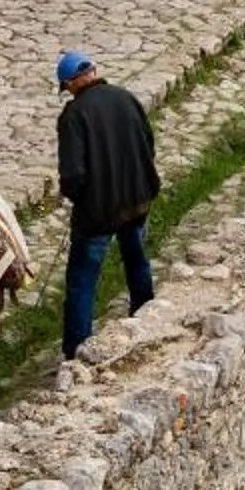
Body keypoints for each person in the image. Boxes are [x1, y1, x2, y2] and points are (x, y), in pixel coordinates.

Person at [55, 50, 161, 357]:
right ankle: (144, 314)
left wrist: (79, 197)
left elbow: (73, 174)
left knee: (81, 281)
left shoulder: (74, 116)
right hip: (137, 200)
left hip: (98, 213)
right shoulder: (125, 98)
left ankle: (77, 349)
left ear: (73, 82)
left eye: (67, 86)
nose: (69, 93)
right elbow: (148, 144)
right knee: (136, 259)